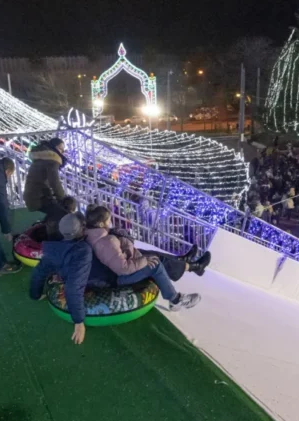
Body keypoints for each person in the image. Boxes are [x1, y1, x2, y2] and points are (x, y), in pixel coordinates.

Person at [84, 206, 204, 311]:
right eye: (108, 220)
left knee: (152, 255)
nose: (110, 222)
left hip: (119, 265)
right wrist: (144, 261)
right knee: (155, 263)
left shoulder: (93, 234)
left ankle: (184, 262)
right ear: (100, 224)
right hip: (119, 277)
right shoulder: (105, 242)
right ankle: (175, 300)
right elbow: (122, 268)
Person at [29, 212, 114, 345]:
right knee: (115, 276)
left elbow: (38, 273)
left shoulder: (53, 248)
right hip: (95, 281)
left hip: (67, 274)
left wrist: (35, 294)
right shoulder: (82, 250)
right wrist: (79, 321)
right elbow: (74, 287)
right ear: (81, 229)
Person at [22, 138, 68, 239]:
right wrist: (63, 199)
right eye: (61, 149)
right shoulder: (52, 159)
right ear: (55, 148)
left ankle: (44, 232)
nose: (63, 152)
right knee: (64, 214)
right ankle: (52, 240)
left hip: (33, 195)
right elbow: (54, 182)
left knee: (54, 212)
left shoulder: (42, 156)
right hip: (39, 197)